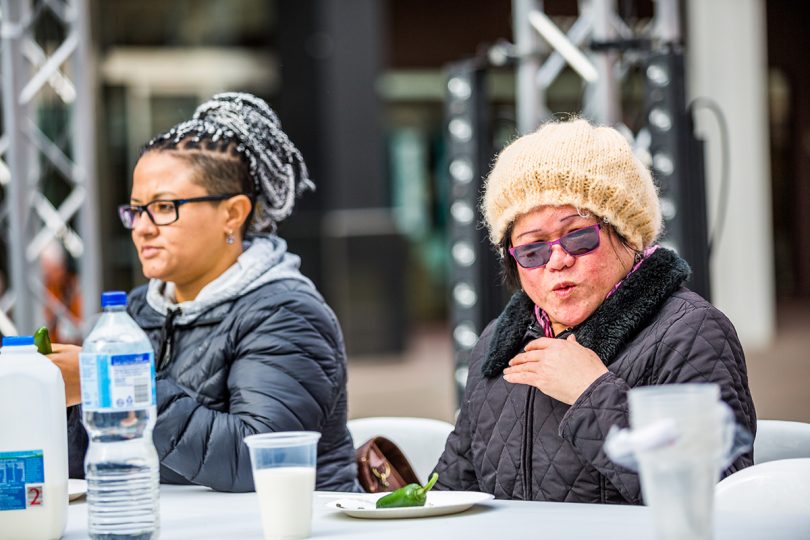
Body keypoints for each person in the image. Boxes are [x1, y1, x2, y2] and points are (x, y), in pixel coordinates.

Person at [433, 118, 756, 503]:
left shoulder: (690, 331)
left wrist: (592, 393)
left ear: (628, 234)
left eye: (578, 237)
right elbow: (452, 491)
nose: (556, 261)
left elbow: (714, 498)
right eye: (533, 250)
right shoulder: (497, 343)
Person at [50, 92, 358, 492]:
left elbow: (258, 458)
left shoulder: (287, 312)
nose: (142, 227)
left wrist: (111, 384)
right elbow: (91, 457)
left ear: (233, 213)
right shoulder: (134, 312)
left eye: (164, 208)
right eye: (135, 209)